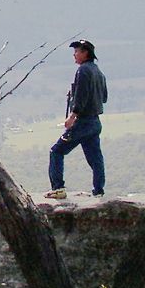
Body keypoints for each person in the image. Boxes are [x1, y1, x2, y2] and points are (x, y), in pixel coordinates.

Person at [45, 39, 107, 199]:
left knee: (56, 151)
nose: (74, 55)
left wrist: (72, 116)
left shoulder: (83, 71)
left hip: (82, 122)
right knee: (95, 158)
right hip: (95, 122)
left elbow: (81, 97)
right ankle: (98, 190)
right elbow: (104, 97)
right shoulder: (98, 71)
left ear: (85, 53)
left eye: (77, 51)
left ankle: (58, 188)